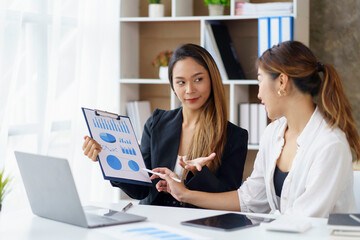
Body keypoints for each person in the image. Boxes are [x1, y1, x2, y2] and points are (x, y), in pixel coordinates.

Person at [154, 40, 360, 217]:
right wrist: (184, 194)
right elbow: (250, 199)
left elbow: (303, 222)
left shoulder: (329, 144)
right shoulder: (273, 133)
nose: (258, 93)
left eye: (260, 81)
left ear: (282, 82)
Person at [82, 43, 248, 207]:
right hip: (154, 221)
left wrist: (198, 173)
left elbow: (229, 199)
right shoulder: (156, 122)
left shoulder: (234, 136)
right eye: (181, 82)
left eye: (198, 79)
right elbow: (140, 191)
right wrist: (106, 158)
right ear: (173, 87)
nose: (189, 90)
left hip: (201, 225)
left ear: (212, 80)